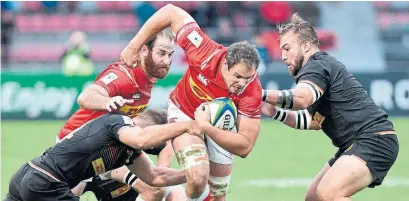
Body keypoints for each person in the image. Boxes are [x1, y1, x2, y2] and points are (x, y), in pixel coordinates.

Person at [121, 4, 263, 201]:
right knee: (197, 179)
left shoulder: (252, 90)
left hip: (222, 126)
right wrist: (133, 45)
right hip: (184, 113)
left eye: (248, 78)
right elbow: (170, 11)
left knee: (217, 196)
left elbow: (245, 146)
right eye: (237, 76)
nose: (242, 83)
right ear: (224, 64)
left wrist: (206, 126)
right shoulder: (204, 51)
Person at [261, 13, 399, 201]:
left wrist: (260, 93)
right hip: (356, 142)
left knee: (329, 192)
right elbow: (314, 121)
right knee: (313, 197)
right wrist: (276, 113)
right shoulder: (315, 70)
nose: (282, 56)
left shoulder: (316, 65)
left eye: (287, 48)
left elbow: (301, 98)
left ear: (306, 46)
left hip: (373, 139)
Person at [58, 28, 181, 201]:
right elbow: (85, 96)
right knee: (155, 189)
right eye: (161, 53)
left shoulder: (148, 78)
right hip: (75, 151)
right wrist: (107, 102)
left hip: (106, 151)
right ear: (144, 50)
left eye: (170, 55)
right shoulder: (125, 75)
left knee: (162, 190)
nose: (166, 60)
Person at [5, 108, 195, 201]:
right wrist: (188, 125)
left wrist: (191, 174)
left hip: (29, 176)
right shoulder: (118, 122)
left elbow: (155, 176)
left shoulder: (129, 150)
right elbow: (142, 139)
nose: (156, 147)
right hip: (47, 180)